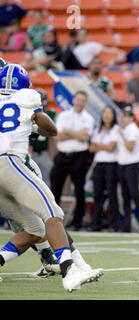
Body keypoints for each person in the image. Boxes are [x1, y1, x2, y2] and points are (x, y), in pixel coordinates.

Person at [0, 64, 102, 291]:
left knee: (34, 230)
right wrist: (36, 119)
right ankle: (69, 271)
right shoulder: (27, 96)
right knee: (53, 214)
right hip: (10, 162)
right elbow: (52, 129)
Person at [50, 90, 95, 231]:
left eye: (83, 100)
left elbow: (85, 137)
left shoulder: (88, 118)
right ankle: (52, 221)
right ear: (73, 100)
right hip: (63, 154)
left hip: (79, 155)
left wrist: (68, 131)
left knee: (79, 190)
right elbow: (57, 135)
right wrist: (76, 134)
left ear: (85, 102)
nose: (80, 102)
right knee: (55, 188)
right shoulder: (64, 115)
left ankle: (77, 222)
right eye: (78, 99)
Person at [117, 106, 139, 233]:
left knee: (134, 195)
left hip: (132, 164)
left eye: (125, 116)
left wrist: (122, 135)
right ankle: (127, 225)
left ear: (131, 118)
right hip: (123, 164)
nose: (122, 119)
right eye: (122, 116)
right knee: (125, 196)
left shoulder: (133, 130)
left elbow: (129, 147)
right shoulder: (125, 130)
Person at [88, 106, 120, 232]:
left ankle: (113, 224)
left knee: (112, 195)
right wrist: (103, 146)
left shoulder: (116, 129)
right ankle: (96, 224)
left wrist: (99, 146)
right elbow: (91, 148)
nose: (106, 115)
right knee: (97, 194)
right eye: (104, 112)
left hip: (111, 164)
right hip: (99, 164)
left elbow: (111, 147)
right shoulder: (99, 129)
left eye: (109, 113)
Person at [29, 89, 56, 186]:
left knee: (46, 183)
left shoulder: (51, 114)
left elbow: (54, 137)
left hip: (45, 153)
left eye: (42, 100)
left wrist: (53, 157)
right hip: (31, 153)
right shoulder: (29, 114)